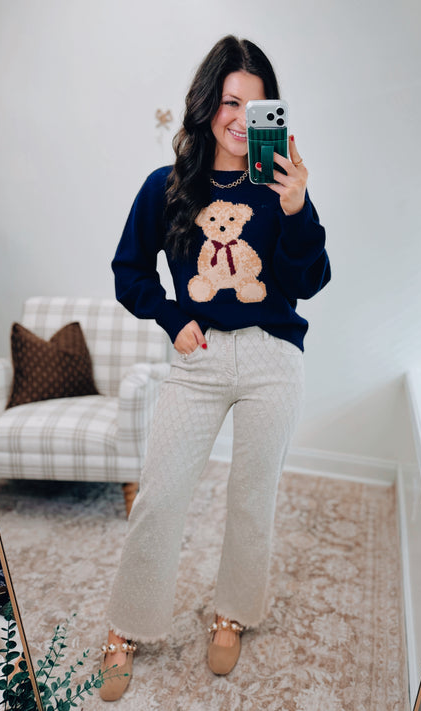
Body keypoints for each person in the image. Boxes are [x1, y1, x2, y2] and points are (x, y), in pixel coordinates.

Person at [98, 34, 330, 701]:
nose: (239, 119)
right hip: (197, 359)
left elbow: (307, 282)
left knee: (252, 499)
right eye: (230, 102)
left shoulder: (281, 189)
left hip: (271, 355)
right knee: (161, 496)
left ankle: (231, 612)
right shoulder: (166, 187)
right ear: (207, 104)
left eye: (255, 107)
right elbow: (129, 272)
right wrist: (174, 318)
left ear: (270, 116)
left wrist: (297, 207)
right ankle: (126, 624)